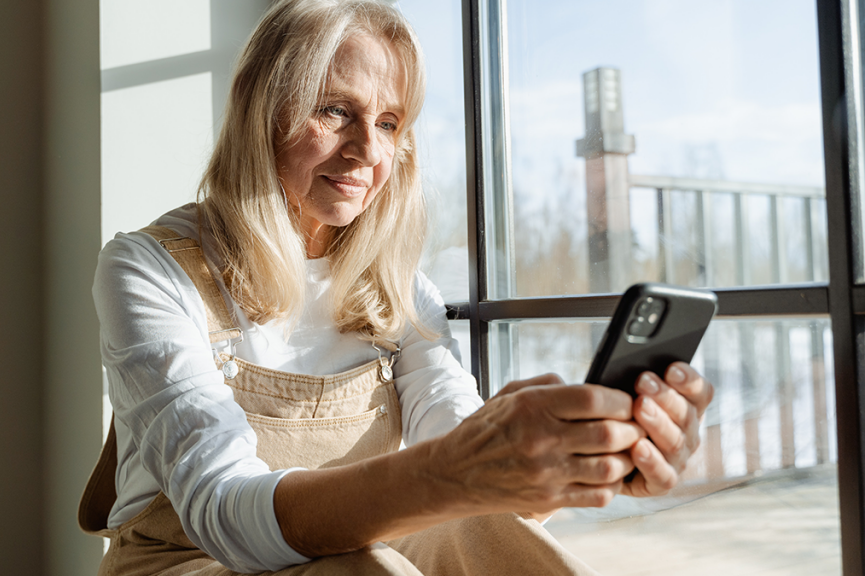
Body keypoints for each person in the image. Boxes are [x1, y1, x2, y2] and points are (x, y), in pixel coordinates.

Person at [79, 1, 714, 574]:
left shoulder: (402, 290)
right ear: (260, 111)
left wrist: (574, 465)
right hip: (185, 561)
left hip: (350, 546)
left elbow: (462, 462)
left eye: (388, 123)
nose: (367, 151)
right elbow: (223, 516)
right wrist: (459, 468)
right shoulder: (148, 269)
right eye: (334, 111)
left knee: (486, 532)